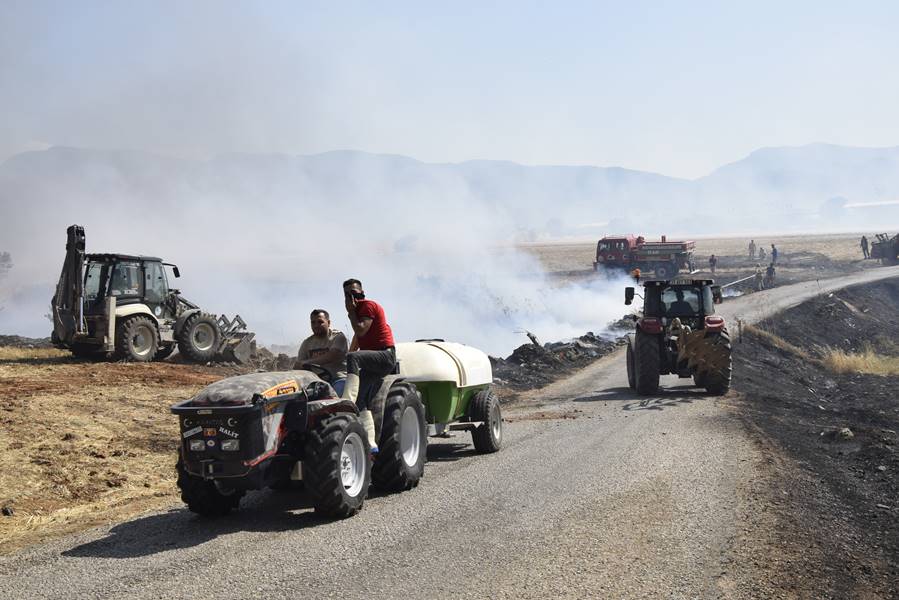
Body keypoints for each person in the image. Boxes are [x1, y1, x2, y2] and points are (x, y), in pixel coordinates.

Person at [342, 278, 396, 453]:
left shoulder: (368, 306)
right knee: (362, 399)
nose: (355, 298)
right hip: (373, 361)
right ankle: (371, 443)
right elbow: (357, 341)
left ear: (362, 293)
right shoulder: (358, 313)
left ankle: (345, 402)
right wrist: (346, 360)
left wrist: (350, 312)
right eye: (349, 295)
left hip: (385, 355)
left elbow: (360, 330)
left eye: (357, 293)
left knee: (354, 358)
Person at [295, 309, 348, 396]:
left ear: (329, 323)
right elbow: (298, 365)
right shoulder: (307, 343)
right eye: (313, 322)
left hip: (337, 379)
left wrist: (306, 362)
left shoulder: (338, 337)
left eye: (320, 322)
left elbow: (331, 356)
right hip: (316, 383)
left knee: (335, 399)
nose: (316, 325)